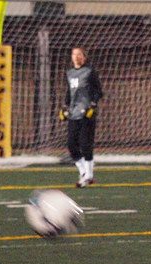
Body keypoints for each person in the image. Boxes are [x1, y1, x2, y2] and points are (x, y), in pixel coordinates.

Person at [60, 47, 103, 188]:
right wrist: (65, 107)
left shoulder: (90, 72)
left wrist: (92, 105)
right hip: (73, 113)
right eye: (74, 54)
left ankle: (88, 174)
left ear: (84, 57)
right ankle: (84, 172)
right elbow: (69, 93)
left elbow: (98, 91)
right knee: (72, 145)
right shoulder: (69, 73)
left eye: (79, 54)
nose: (76, 57)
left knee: (85, 144)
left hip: (86, 113)